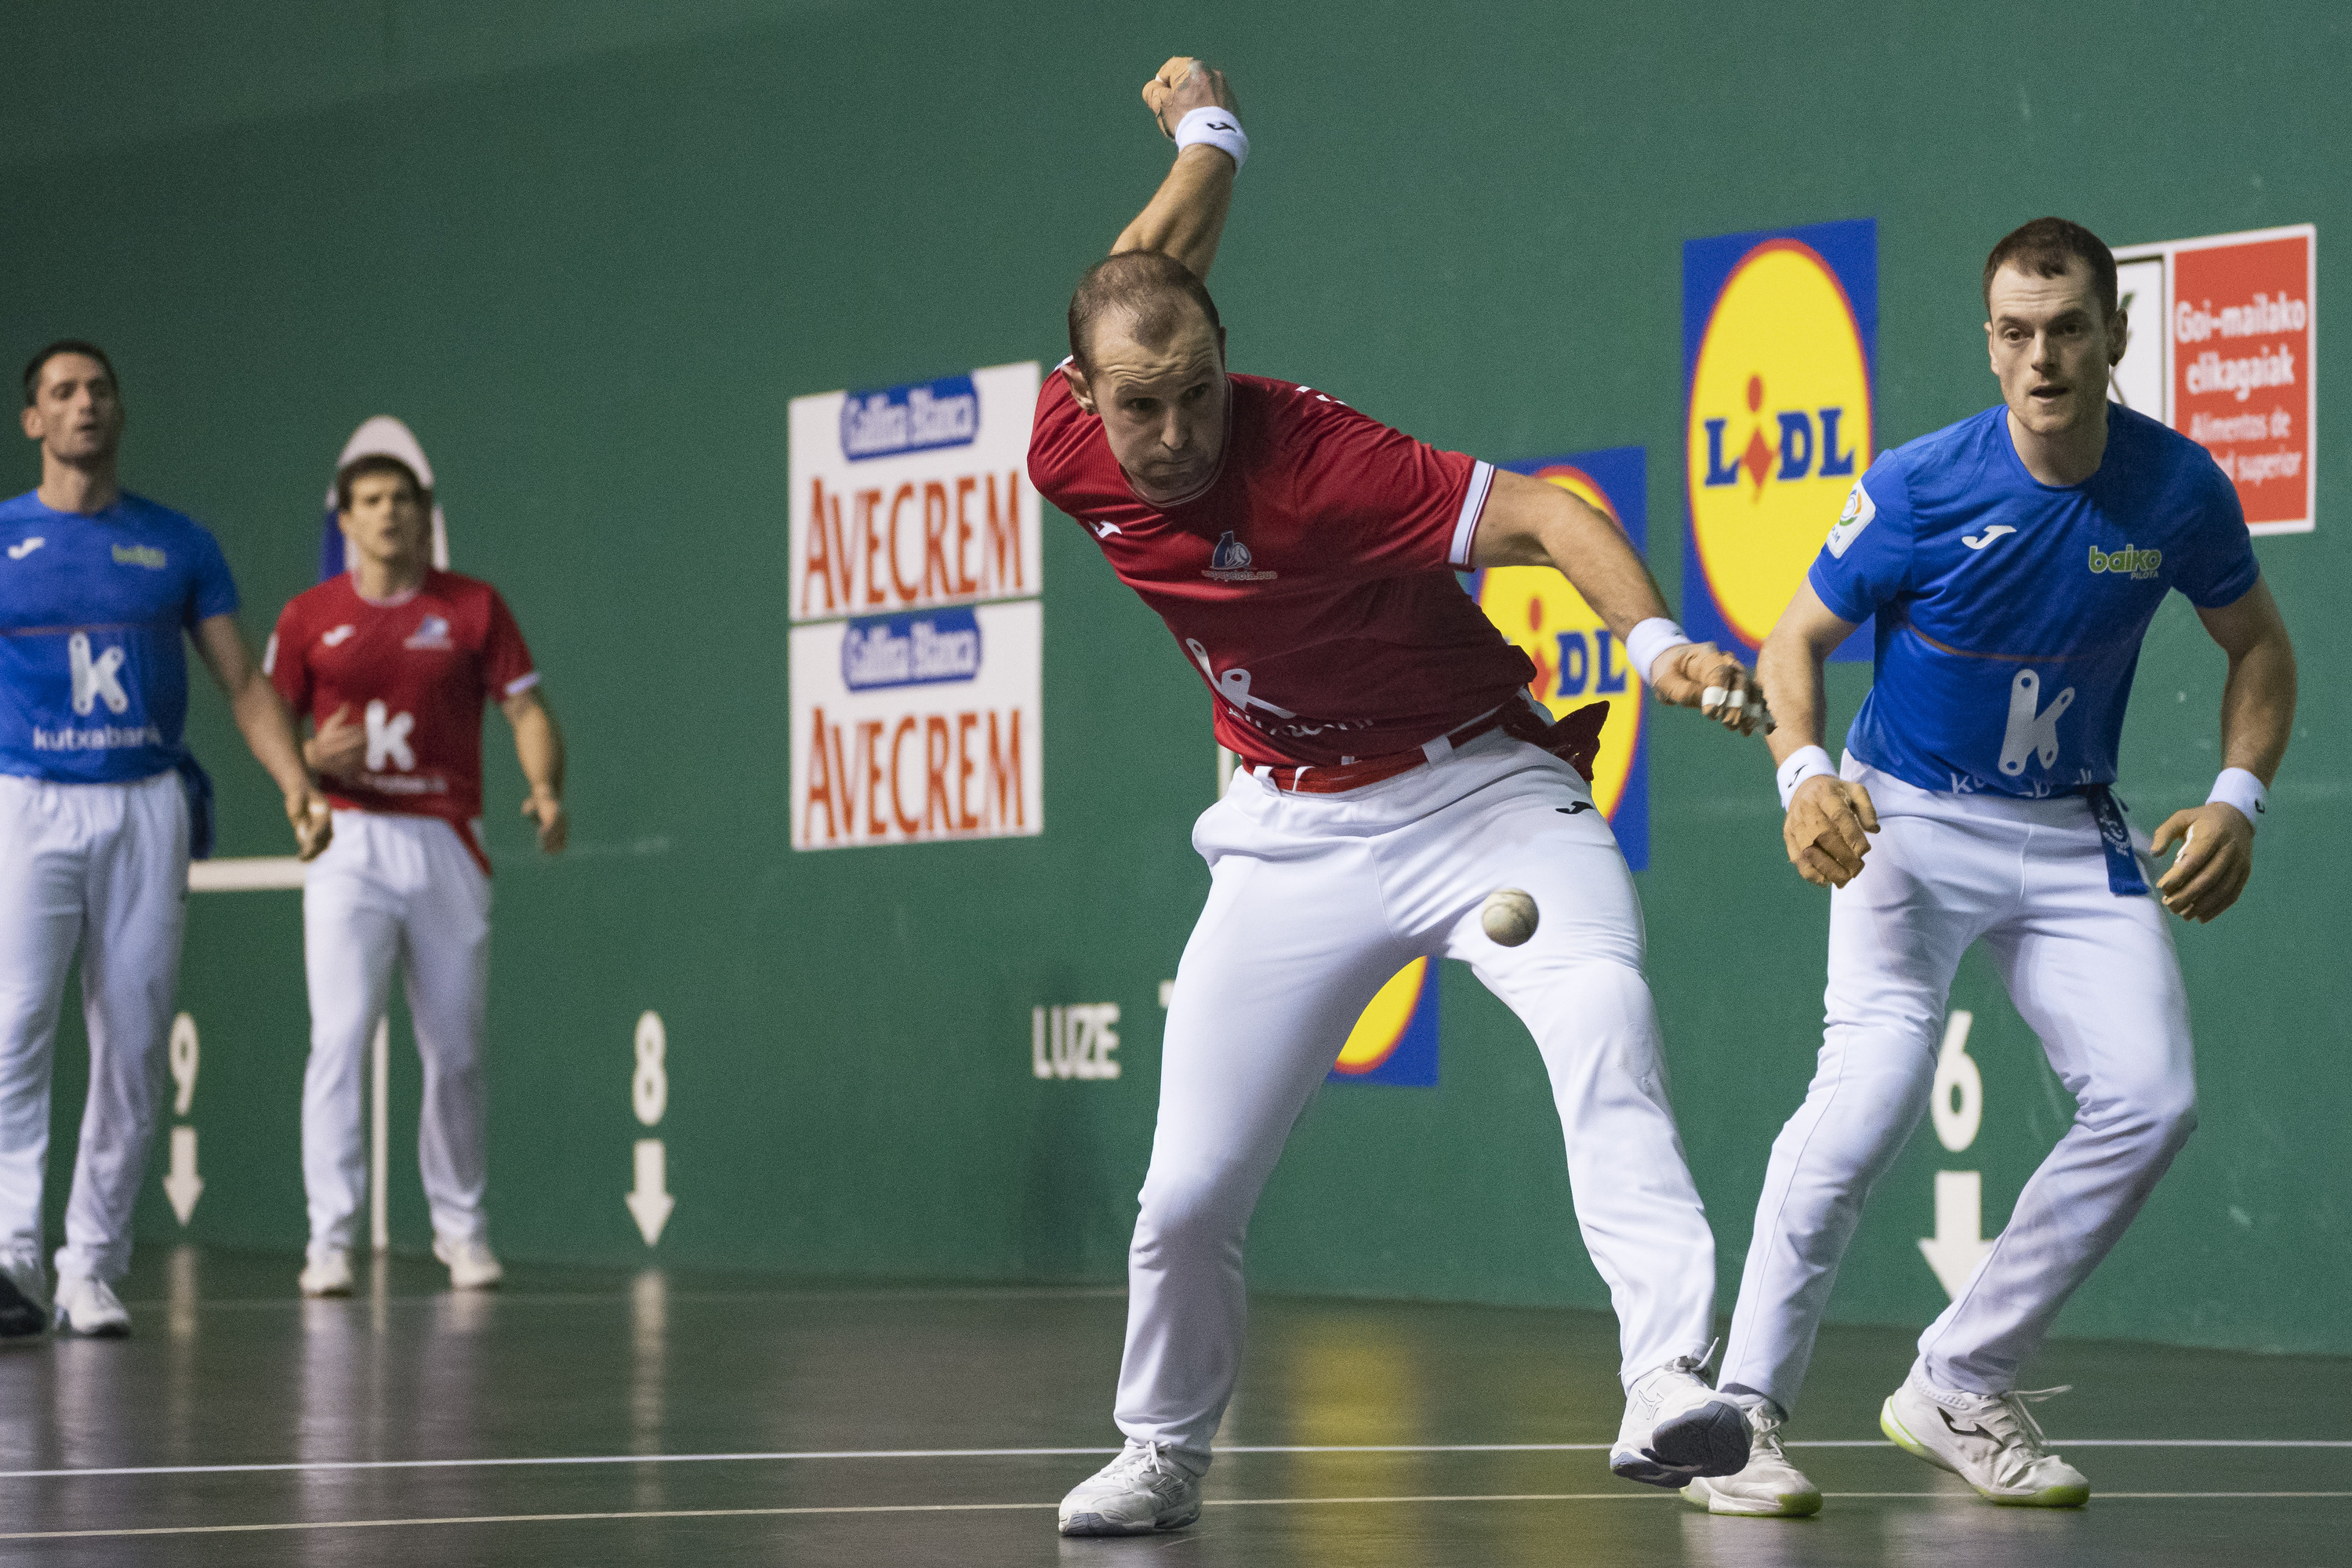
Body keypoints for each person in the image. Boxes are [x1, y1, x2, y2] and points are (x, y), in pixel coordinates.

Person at [1035, 60, 1769, 1537]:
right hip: (1291, 830)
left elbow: (1552, 514)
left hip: (1483, 794)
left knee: (1604, 1019)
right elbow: (1146, 264)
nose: (1170, 435)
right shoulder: (1070, 447)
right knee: (1184, 1195)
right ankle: (1164, 1449)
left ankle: (1672, 1377)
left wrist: (1659, 642)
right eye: (1137, 409)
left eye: (1194, 398)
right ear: (1082, 400)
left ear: (1225, 368)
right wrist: (1207, 138)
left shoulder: (1324, 462)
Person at [1691, 217, 2299, 1517]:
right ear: (1989, 344)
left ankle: (1961, 1378)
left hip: (2074, 829)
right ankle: (1739, 1416)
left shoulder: (2178, 490)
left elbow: (2259, 645)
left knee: (2152, 1093)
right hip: (1907, 818)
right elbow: (1796, 639)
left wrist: (2238, 796)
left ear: (2112, 336)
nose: (2042, 358)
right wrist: (1806, 778)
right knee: (1870, 1097)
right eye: (2016, 334)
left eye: (2068, 329)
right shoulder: (1920, 488)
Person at [1, 341, 328, 1338]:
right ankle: (8, 1254)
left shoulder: (178, 543)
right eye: (63, 393)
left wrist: (298, 783)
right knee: (14, 1027)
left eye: (99, 389)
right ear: (34, 422)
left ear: (120, 411)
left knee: (135, 1045)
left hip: (147, 804)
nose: (85, 405)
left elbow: (240, 683)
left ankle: (89, 1265)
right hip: (28, 802)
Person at [264, 452, 564, 1296]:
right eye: (371, 500)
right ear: (346, 519)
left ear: (424, 511)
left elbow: (527, 707)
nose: (390, 512)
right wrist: (310, 762)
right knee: (341, 1035)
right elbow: (268, 721)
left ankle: (462, 1229)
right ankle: (330, 1238)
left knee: (457, 1048)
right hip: (349, 840)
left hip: (445, 840)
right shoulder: (307, 616)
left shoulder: (472, 607)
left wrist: (544, 789)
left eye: (404, 498)